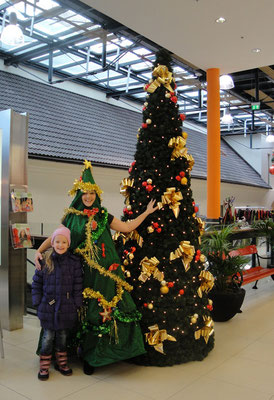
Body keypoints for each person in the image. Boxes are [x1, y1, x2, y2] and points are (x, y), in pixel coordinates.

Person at [35, 160, 158, 375]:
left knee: (107, 311)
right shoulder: (72, 218)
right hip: (81, 275)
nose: (88, 197)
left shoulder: (104, 215)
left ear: (96, 195)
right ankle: (75, 352)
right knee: (82, 310)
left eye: (91, 193)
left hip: (108, 275)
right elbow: (56, 237)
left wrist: (146, 213)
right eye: (84, 193)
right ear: (79, 195)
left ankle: (104, 353)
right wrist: (39, 250)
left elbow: (128, 228)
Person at [32, 226, 83, 381]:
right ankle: (44, 366)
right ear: (52, 243)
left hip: (67, 307)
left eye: (64, 242)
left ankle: (62, 363)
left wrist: (76, 304)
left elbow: (77, 285)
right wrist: (38, 303)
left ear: (68, 244)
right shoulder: (45, 261)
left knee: (62, 337)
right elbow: (36, 284)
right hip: (48, 307)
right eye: (57, 242)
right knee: (47, 337)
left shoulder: (74, 263)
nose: (60, 245)